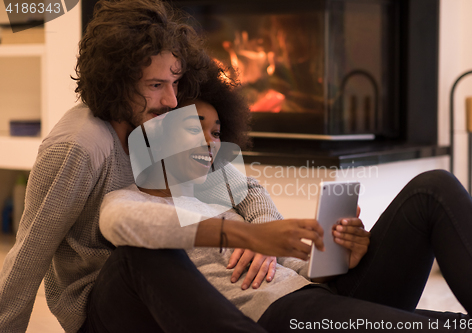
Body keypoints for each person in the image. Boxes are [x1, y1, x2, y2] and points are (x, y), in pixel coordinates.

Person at [97, 70, 472, 333]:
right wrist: (247, 236)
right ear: (158, 135)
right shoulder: (128, 200)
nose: (210, 141)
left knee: (434, 187)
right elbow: (120, 224)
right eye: (193, 127)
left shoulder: (224, 192)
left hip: (320, 297)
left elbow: (294, 265)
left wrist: (342, 255)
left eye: (217, 132)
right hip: (278, 316)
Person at [0, 1, 286, 332]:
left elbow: (241, 186)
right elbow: (27, 258)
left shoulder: (155, 120)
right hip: (103, 304)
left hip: (166, 293)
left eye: (174, 83)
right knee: (142, 250)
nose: (172, 101)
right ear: (118, 81)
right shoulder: (78, 147)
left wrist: (262, 233)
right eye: (156, 85)